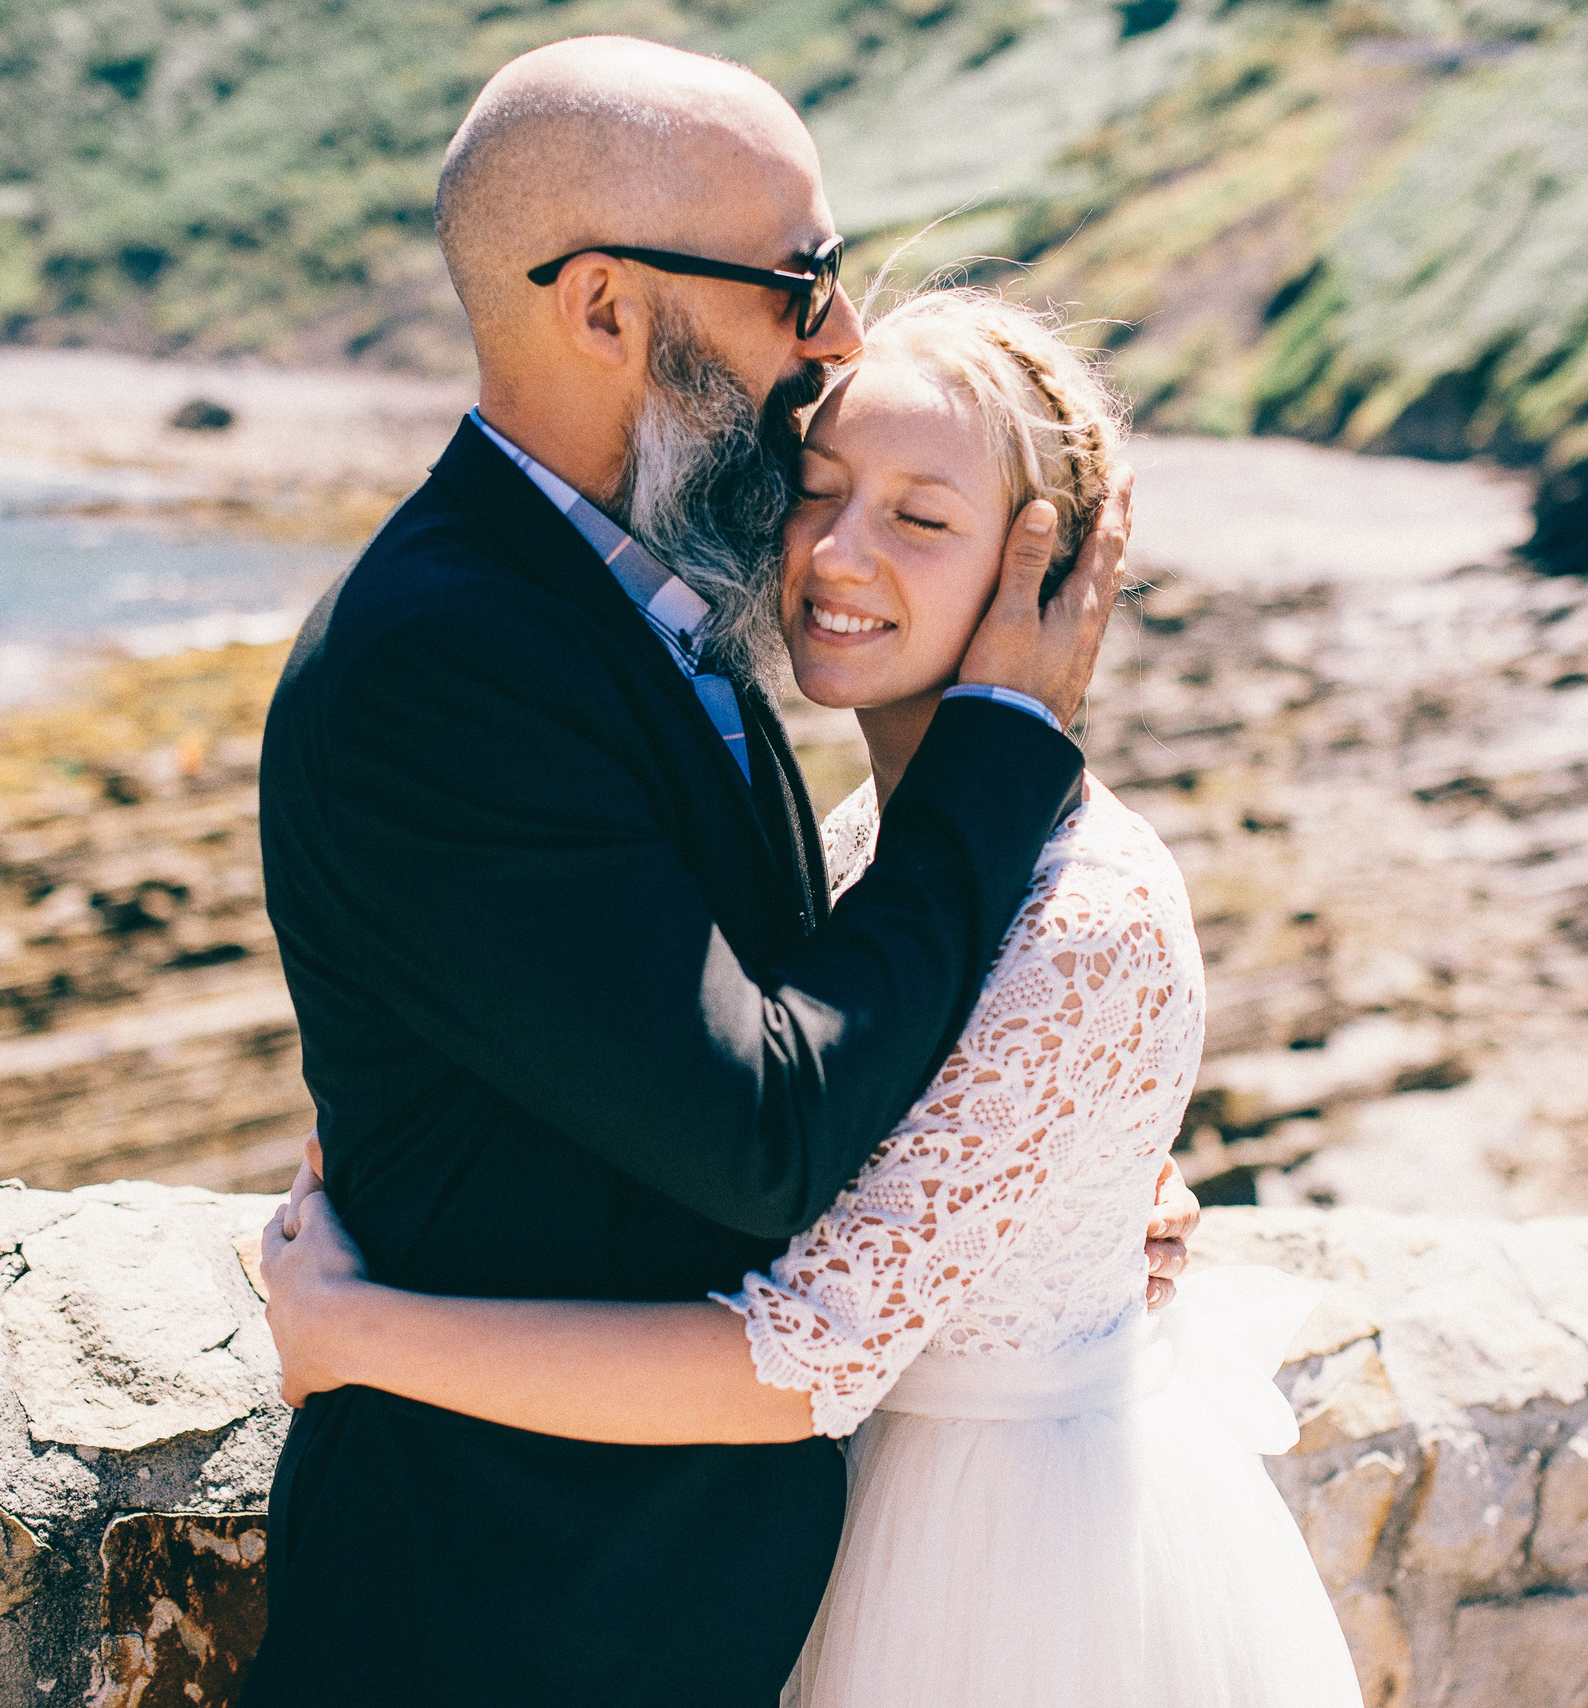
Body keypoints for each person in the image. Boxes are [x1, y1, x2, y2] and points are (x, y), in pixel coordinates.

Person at [245, 37, 1199, 1707]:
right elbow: (760, 1127)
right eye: (798, 282)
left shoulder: (658, 606)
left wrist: (1039, 1182)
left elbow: (758, 1060)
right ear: (606, 306)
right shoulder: (445, 662)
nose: (832, 342)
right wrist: (999, 748)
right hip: (501, 1632)